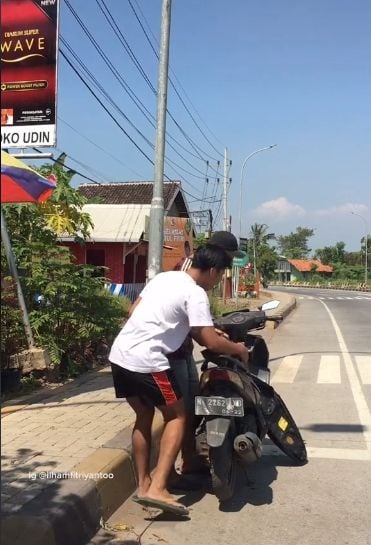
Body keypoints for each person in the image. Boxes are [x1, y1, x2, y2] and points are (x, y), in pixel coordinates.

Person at [109, 244, 249, 516]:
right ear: (212, 270)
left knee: (144, 417)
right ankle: (159, 488)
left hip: (120, 355)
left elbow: (133, 310)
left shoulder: (164, 278)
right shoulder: (195, 293)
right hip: (149, 362)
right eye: (219, 276)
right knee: (178, 417)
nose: (217, 282)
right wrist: (239, 349)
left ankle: (144, 484)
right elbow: (208, 340)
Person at [130, 231, 246, 477]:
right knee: (175, 416)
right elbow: (190, 325)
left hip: (161, 353)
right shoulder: (190, 277)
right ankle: (165, 478)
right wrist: (226, 343)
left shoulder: (181, 274)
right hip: (166, 356)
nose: (226, 268)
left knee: (189, 408)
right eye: (227, 258)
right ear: (216, 256)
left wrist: (206, 328)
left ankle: (189, 461)